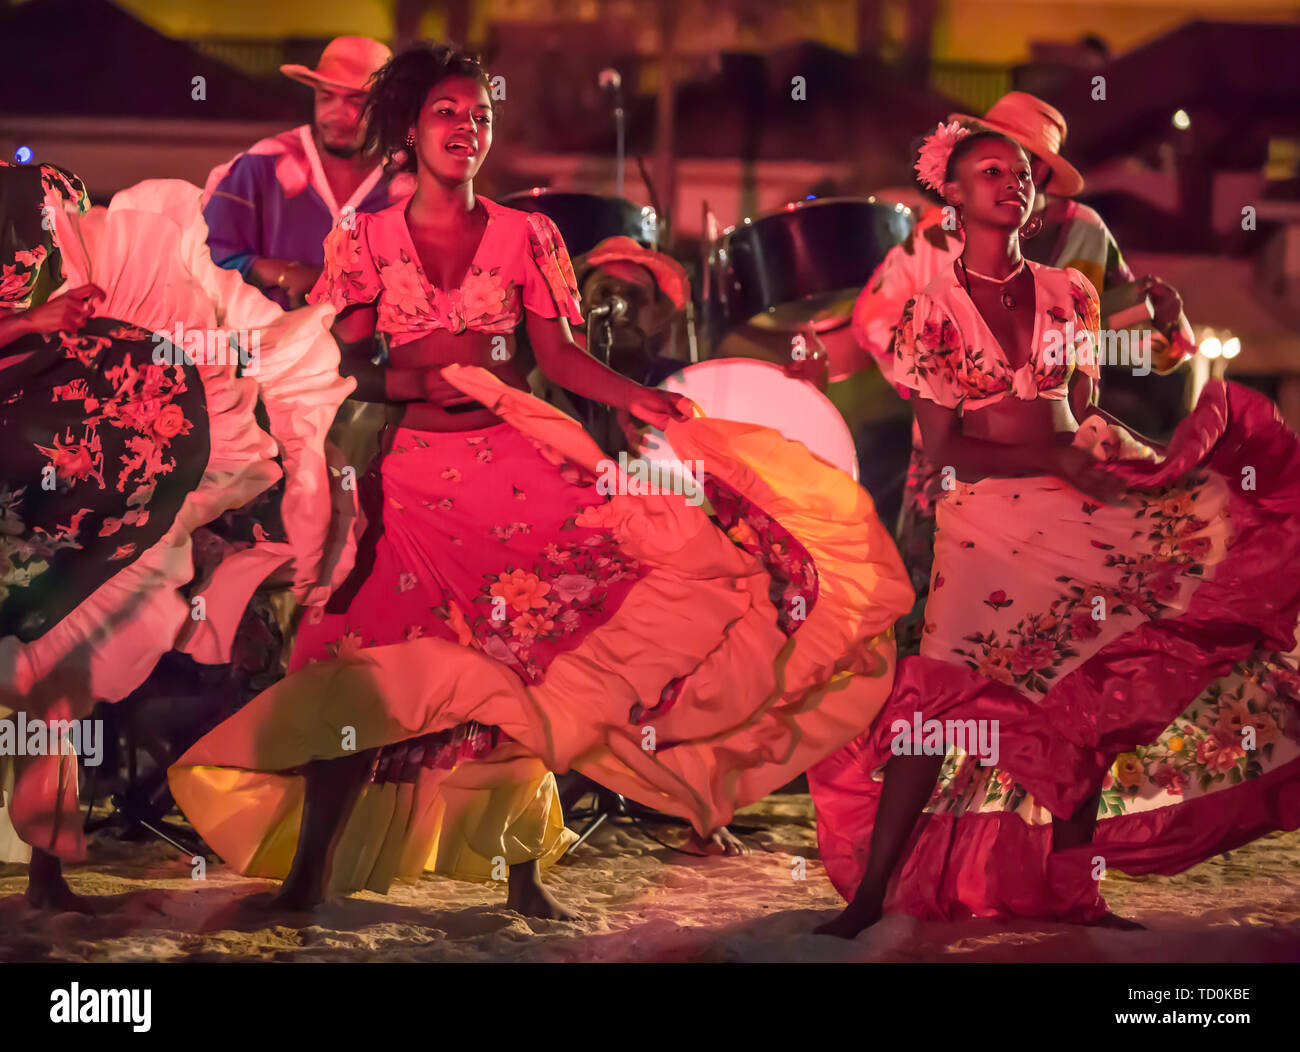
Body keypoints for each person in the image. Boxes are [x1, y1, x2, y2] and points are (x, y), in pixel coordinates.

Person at [168, 44, 915, 917]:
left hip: (519, 471)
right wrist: (414, 383)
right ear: (411, 126)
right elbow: (348, 359)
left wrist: (641, 397)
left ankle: (523, 878)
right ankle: (307, 875)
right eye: (447, 111)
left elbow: (557, 357)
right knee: (357, 666)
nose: (466, 127)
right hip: (405, 483)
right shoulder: (361, 240)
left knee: (529, 673)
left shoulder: (531, 235)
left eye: (480, 114)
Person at [810, 123, 1300, 936]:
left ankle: (1078, 892)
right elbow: (941, 449)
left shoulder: (1073, 290)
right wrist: (1050, 459)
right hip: (985, 518)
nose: (1016, 182)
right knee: (937, 701)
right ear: (954, 199)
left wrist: (1098, 459)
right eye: (992, 171)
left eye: (1025, 173)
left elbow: (1078, 402)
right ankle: (868, 898)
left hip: (1083, 496)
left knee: (1093, 688)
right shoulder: (928, 312)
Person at [0, 162, 349, 910]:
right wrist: (31, 323)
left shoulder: (63, 221)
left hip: (54, 479)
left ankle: (44, 871)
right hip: (20, 462)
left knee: (55, 661)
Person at [851, 92, 1196, 652]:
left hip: (1059, 467)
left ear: (1041, 172)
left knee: (1059, 629)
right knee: (930, 619)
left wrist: (1166, 329)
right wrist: (942, 375)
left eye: (1022, 163)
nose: (1011, 176)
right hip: (955, 465)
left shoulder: (1085, 236)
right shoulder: (938, 236)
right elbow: (874, 318)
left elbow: (1121, 343)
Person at [203, 36, 415, 312]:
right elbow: (204, 255)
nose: (337, 113)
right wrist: (282, 272)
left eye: (356, 100)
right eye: (326, 96)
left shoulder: (407, 184)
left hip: (370, 352)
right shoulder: (262, 164)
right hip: (264, 347)